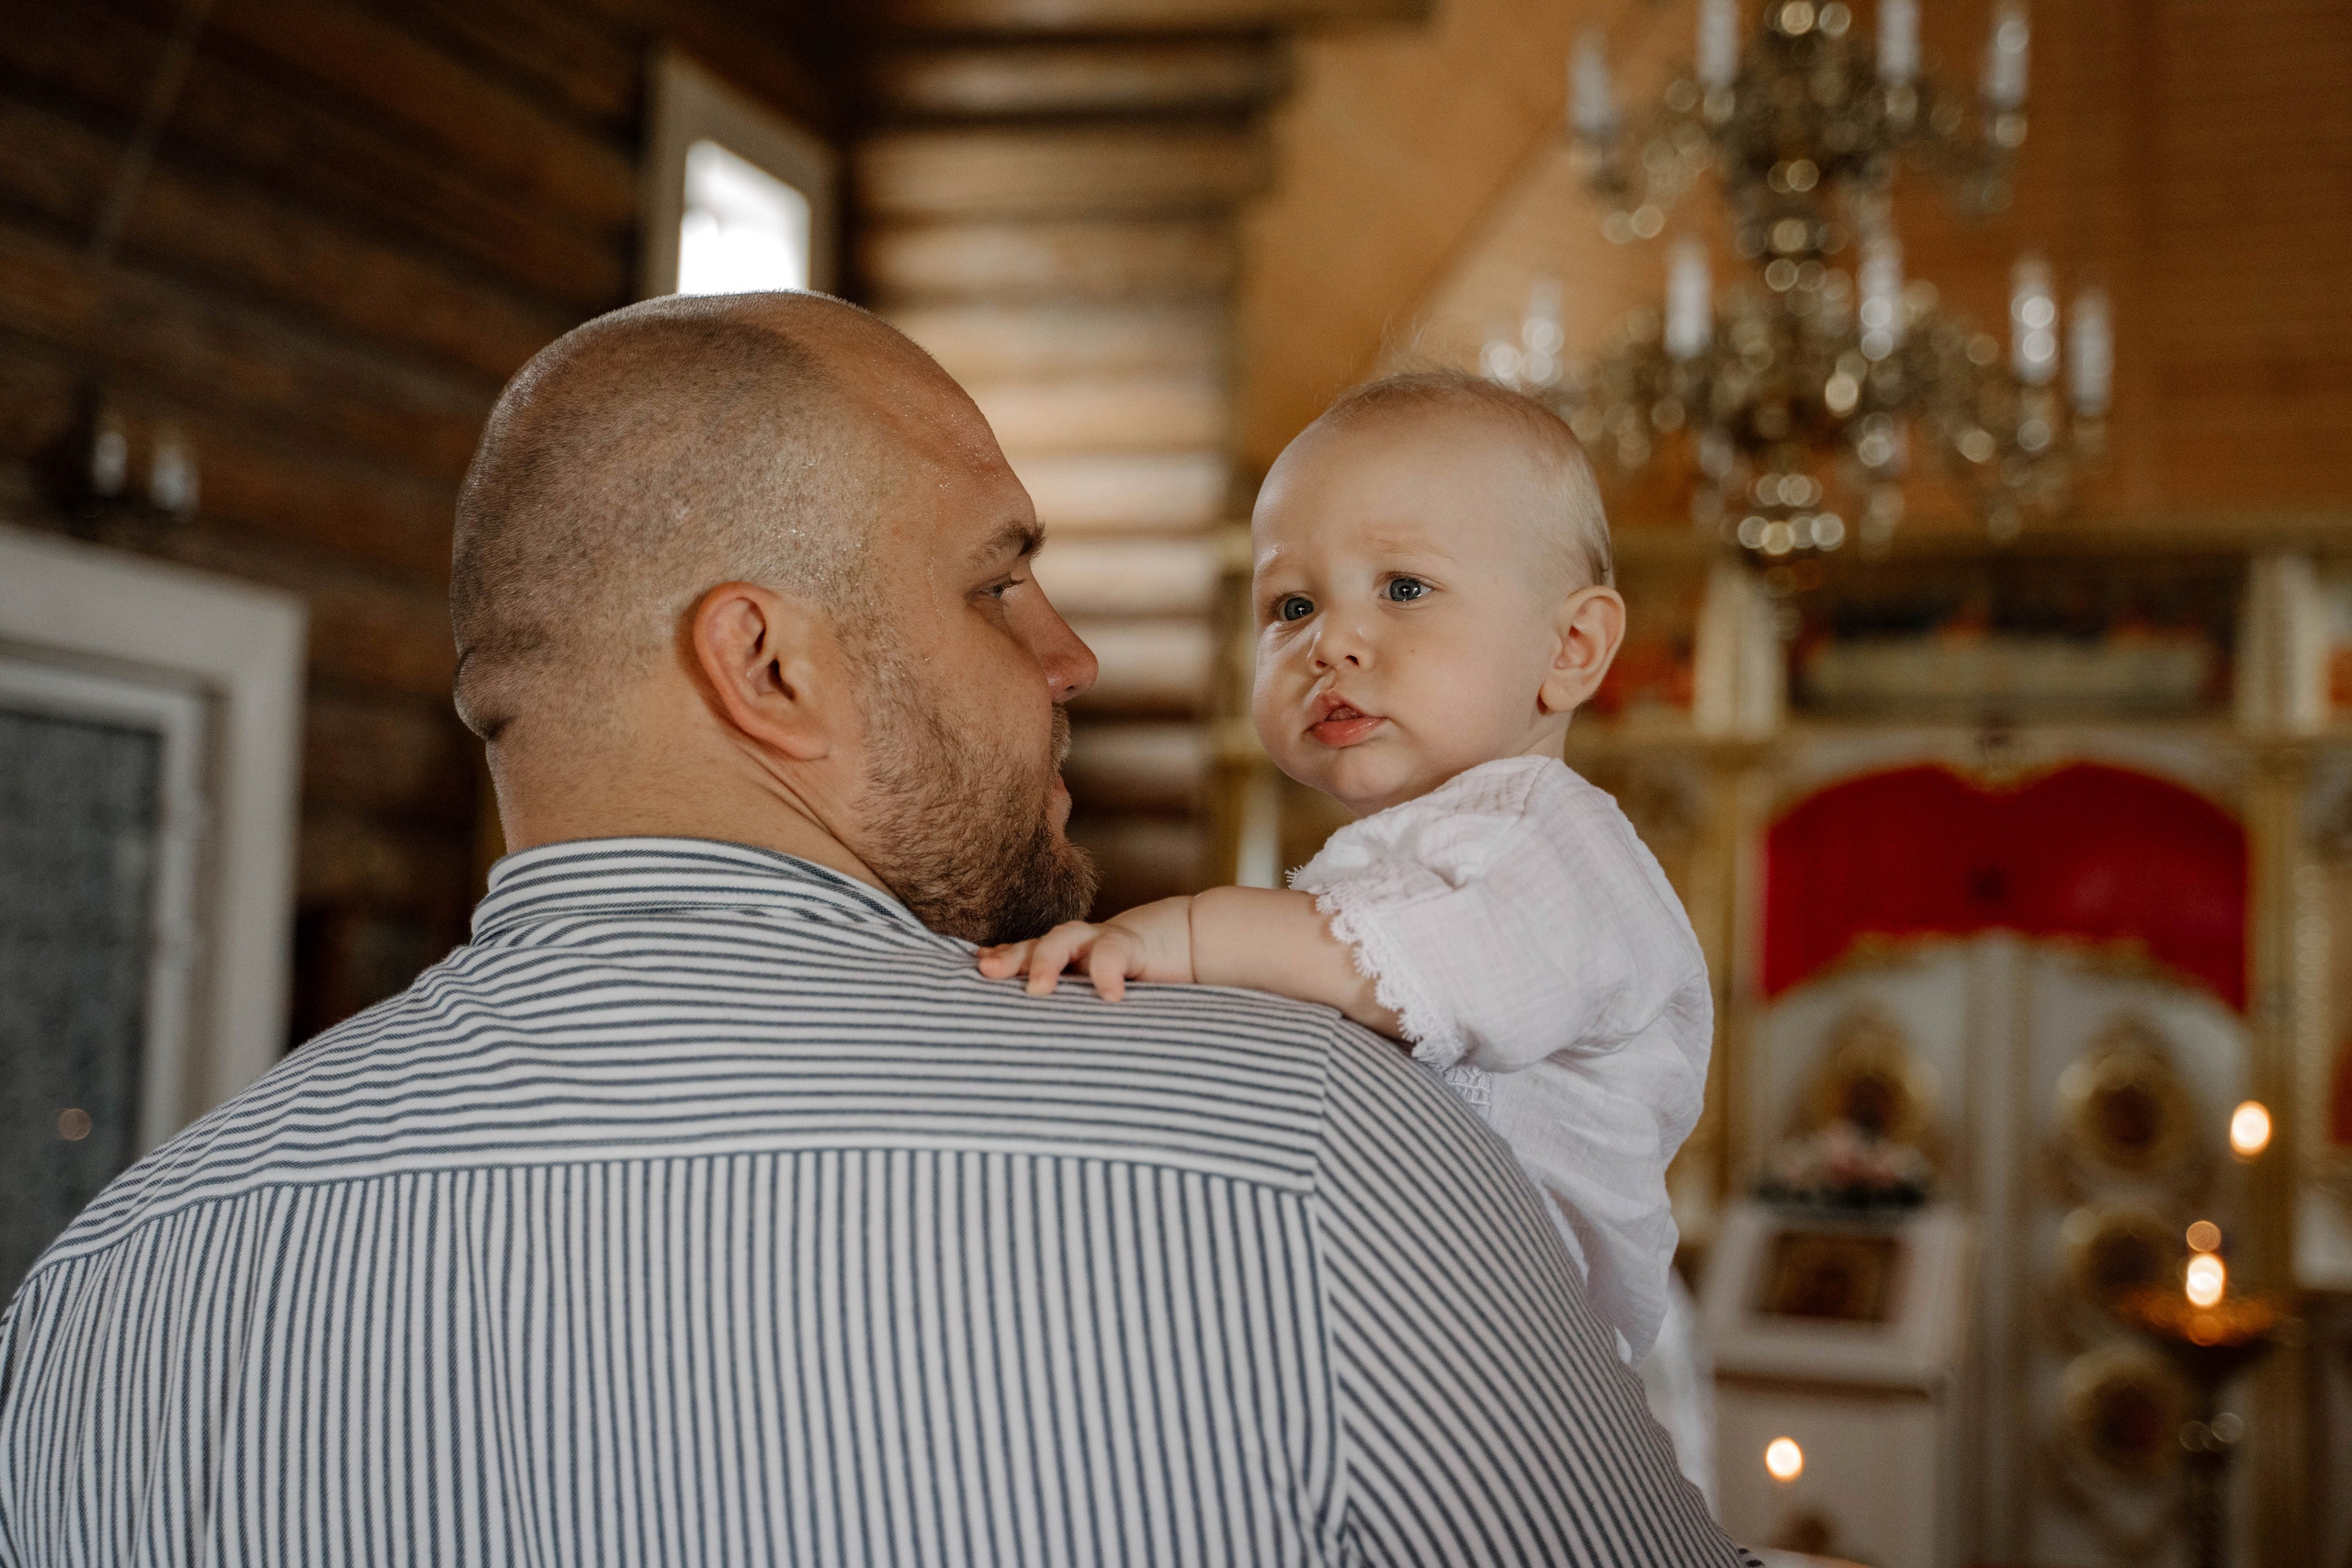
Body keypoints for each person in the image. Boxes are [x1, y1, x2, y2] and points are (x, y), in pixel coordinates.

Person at [0, 294, 1750, 1567]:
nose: (1074, 656)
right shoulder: (1311, 1148)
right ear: (769, 667)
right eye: (1000, 583)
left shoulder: (103, 1287)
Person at [982, 372, 1709, 1365]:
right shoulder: (1418, 848)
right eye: (1291, 605)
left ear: (1571, 647)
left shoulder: (1552, 838)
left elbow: (1443, 974)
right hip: (1425, 1321)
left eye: (1403, 588)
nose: (1331, 642)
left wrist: (1181, 932)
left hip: (1534, 1356)